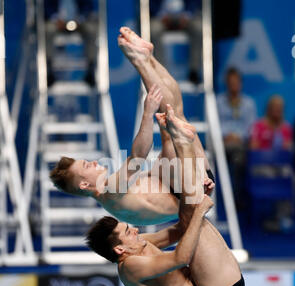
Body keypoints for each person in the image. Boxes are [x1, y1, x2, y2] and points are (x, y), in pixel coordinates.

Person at [86, 105, 244, 286]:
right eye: (127, 231)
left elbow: (179, 231)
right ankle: (182, 143)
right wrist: (198, 209)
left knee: (189, 210)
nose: (134, 230)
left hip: (202, 279)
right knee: (191, 211)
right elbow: (181, 256)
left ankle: (176, 139)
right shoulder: (131, 267)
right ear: (120, 249)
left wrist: (199, 197)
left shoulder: (136, 245)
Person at [50, 27, 215, 226]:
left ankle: (148, 58)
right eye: (86, 166)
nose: (93, 162)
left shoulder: (112, 194)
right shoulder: (110, 191)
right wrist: (147, 113)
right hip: (188, 191)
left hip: (180, 186)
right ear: (84, 184)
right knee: (172, 117)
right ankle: (142, 60)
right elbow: (138, 157)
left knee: (173, 118)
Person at [249, 95, 294, 232]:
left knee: (290, 176)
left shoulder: (286, 128)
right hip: (261, 169)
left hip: (280, 170)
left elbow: (288, 151)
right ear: (268, 109)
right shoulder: (259, 126)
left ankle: (283, 218)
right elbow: (254, 148)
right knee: (279, 172)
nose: (277, 111)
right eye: (274, 108)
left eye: (280, 108)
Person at [217, 67, 257, 208]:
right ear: (227, 83)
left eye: (236, 82)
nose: (233, 85)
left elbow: (251, 127)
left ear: (240, 83)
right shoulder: (218, 102)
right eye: (230, 82)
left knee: (239, 157)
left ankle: (235, 197)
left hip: (241, 144)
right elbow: (216, 124)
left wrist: (239, 137)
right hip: (221, 144)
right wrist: (224, 136)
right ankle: (231, 199)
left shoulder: (249, 103)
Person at [44, 0, 98, 86]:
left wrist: (79, 20)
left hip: (79, 22)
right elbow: (46, 8)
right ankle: (48, 70)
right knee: (48, 30)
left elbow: (88, 8)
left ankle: (91, 70)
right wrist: (56, 19)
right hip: (56, 23)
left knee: (91, 30)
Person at [149, 0, 202, 84]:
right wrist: (161, 15)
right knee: (154, 29)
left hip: (185, 17)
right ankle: (161, 73)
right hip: (162, 17)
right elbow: (151, 3)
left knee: (199, 28)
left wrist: (187, 16)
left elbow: (195, 2)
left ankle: (194, 71)